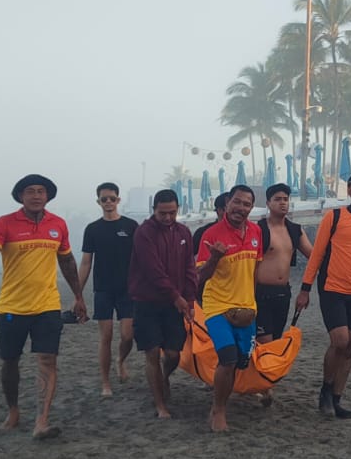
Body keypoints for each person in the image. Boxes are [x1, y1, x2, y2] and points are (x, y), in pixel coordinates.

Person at [0, 174, 87, 438]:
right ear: (21, 196)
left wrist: (78, 296)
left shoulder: (57, 224)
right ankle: (13, 411)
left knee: (48, 360)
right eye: (30, 191)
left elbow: (67, 261)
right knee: (10, 361)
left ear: (48, 196)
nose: (36, 196)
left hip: (47, 306)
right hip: (12, 307)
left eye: (41, 191)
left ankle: (42, 421)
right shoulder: (5, 223)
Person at [297, 170, 351, 420]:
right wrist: (305, 289)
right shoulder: (334, 217)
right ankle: (325, 390)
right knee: (340, 341)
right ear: (350, 189)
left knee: (350, 347)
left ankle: (337, 398)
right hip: (332, 289)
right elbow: (317, 255)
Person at [195, 185, 262, 433]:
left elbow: (254, 271)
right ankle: (219, 410)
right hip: (217, 306)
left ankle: (220, 399)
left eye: (246, 204)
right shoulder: (211, 234)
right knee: (228, 357)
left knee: (240, 362)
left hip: (246, 307)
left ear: (251, 208)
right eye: (237, 202)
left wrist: (253, 303)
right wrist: (214, 257)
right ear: (227, 203)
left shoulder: (256, 231)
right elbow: (200, 277)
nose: (241, 208)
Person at [128, 189, 197, 420]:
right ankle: (160, 405)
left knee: (173, 354)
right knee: (152, 352)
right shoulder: (143, 233)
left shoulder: (183, 232)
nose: (167, 218)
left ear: (178, 210)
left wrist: (189, 299)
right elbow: (153, 270)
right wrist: (176, 297)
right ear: (154, 210)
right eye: (162, 213)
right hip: (147, 301)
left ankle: (164, 377)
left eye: (172, 213)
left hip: (174, 305)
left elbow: (189, 267)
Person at [78, 182, 139, 398]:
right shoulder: (93, 229)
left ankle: (120, 360)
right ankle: (105, 382)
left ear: (118, 200)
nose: (108, 202)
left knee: (128, 335)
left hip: (128, 289)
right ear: (98, 202)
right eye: (104, 199)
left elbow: (142, 257)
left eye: (112, 198)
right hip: (103, 289)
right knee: (106, 337)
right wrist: (78, 293)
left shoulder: (131, 226)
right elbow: (86, 262)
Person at [255, 183, 311, 342]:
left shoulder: (295, 230)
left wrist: (305, 290)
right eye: (277, 199)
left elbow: (314, 258)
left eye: (285, 199)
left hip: (283, 293)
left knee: (276, 340)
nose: (282, 203)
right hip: (261, 293)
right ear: (268, 203)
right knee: (264, 342)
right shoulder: (259, 229)